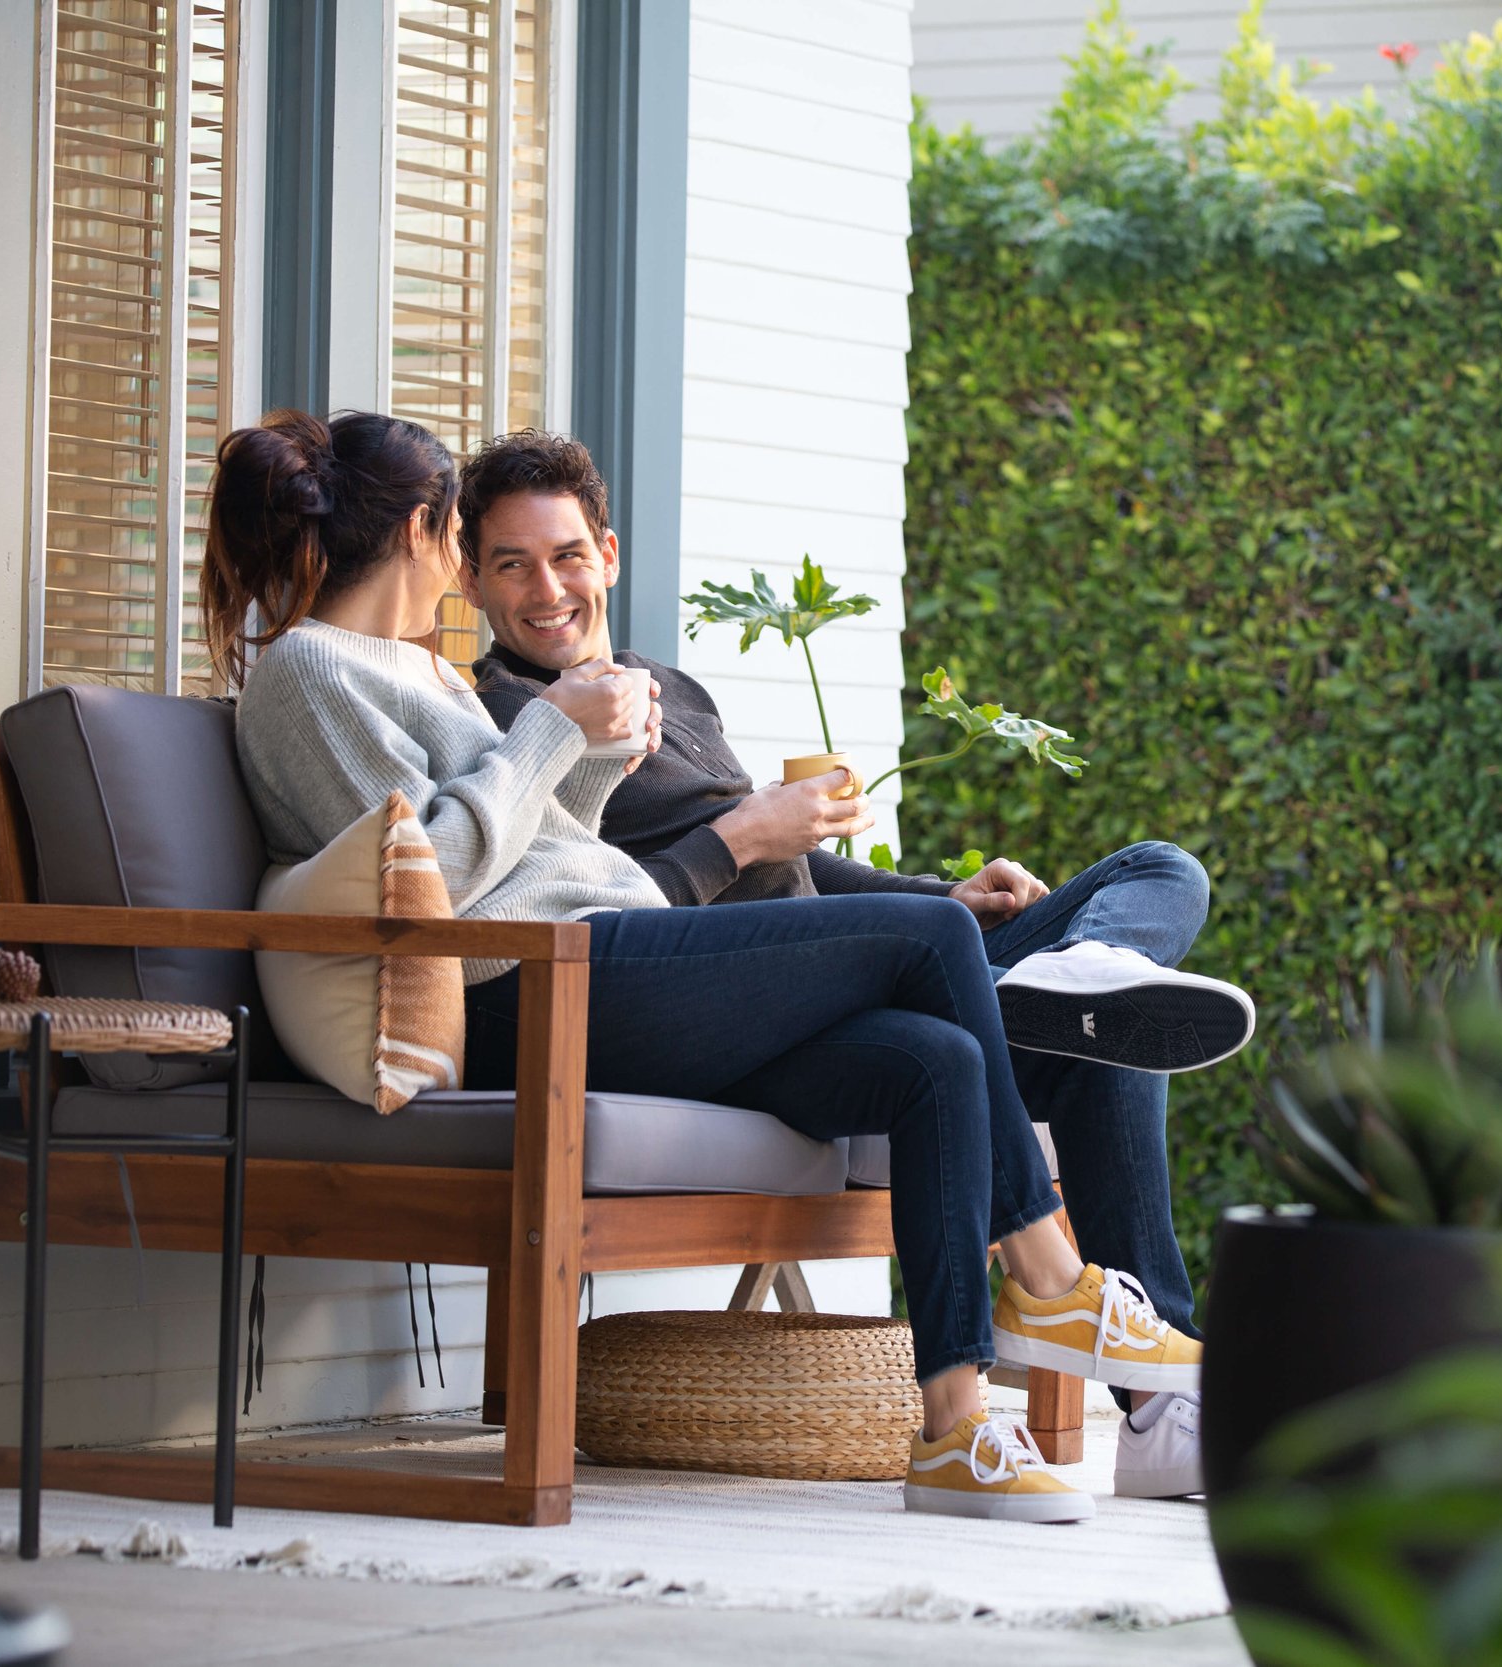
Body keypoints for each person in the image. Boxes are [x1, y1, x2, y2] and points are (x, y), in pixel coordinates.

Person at [203, 408, 1209, 1524]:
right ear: (422, 532)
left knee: (933, 1058)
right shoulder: (309, 671)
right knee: (931, 940)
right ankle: (1052, 1279)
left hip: (611, 954)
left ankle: (954, 1428)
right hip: (530, 987)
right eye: (472, 545)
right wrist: (552, 733)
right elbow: (426, 886)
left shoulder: (420, 674)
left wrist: (591, 759)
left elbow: (546, 851)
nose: (483, 572)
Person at [455, 429, 1256, 1501]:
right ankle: (1052, 1288)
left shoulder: (671, 690)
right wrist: (747, 831)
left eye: (564, 555)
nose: (545, 589)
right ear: (472, 579)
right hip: (709, 1010)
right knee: (986, 1033)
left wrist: (942, 897)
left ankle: (1136, 1415)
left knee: (1143, 921)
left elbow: (791, 872)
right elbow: (602, 910)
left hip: (847, 975)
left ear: (606, 552)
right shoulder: (510, 724)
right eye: (511, 564)